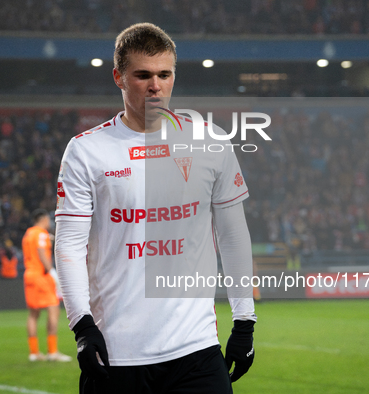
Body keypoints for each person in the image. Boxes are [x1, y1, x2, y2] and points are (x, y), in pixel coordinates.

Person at [55, 23, 256, 393]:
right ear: (118, 77)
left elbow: (233, 234)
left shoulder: (210, 142)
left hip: (196, 350)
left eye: (164, 74)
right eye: (142, 75)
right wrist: (82, 325)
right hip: (117, 354)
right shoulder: (86, 151)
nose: (155, 86)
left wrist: (244, 321)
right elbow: (69, 243)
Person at [22, 209, 72, 362]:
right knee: (53, 310)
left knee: (33, 314)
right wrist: (52, 272)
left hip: (29, 275)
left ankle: (34, 353)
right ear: (43, 219)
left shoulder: (28, 234)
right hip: (41, 276)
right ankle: (52, 351)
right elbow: (42, 253)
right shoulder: (42, 234)